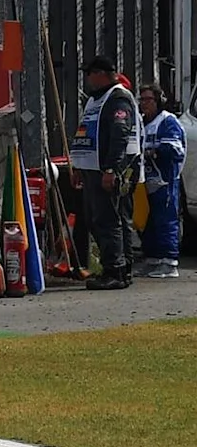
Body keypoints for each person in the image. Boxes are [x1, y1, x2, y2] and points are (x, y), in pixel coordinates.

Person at [74, 54, 139, 290]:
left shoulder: (118, 98)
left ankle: (115, 271)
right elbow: (87, 134)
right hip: (93, 167)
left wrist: (112, 168)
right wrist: (79, 165)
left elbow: (120, 135)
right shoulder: (96, 100)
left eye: (89, 73)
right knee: (106, 219)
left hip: (109, 169)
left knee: (108, 220)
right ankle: (122, 268)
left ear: (100, 74)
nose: (87, 79)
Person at [143, 81, 186, 279]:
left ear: (158, 101)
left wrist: (153, 151)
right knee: (148, 222)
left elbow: (175, 149)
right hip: (147, 181)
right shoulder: (143, 122)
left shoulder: (167, 121)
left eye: (148, 99)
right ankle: (152, 259)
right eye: (141, 99)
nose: (144, 104)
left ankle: (169, 262)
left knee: (166, 221)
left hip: (165, 180)